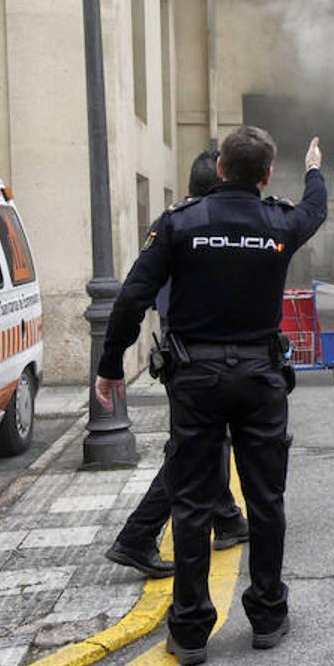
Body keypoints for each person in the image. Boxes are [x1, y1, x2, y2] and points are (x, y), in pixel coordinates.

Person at [94, 127, 326, 665]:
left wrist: (110, 366)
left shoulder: (179, 223)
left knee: (193, 504)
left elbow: (132, 296)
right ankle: (268, 616)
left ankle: (192, 630)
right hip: (261, 378)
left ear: (219, 168)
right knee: (266, 502)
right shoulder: (280, 222)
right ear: (266, 175)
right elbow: (316, 208)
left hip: (195, 379)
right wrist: (314, 167)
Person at [103, 150, 249, 579]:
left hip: (182, 356)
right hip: (193, 358)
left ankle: (226, 519)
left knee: (208, 443)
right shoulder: (191, 227)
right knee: (189, 452)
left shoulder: (176, 223)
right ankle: (137, 535)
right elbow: (136, 296)